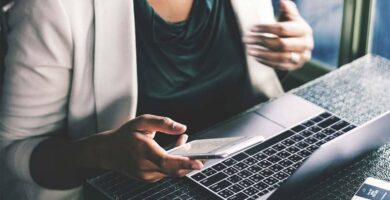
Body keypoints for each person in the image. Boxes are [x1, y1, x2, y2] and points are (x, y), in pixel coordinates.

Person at [0, 0, 313, 199]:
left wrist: (290, 51)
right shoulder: (53, 7)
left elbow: (241, 85)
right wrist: (100, 154)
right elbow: (13, 152)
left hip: (254, 174)